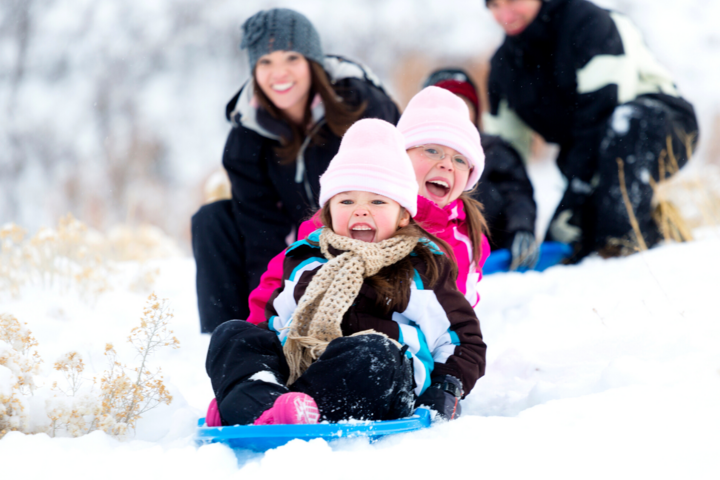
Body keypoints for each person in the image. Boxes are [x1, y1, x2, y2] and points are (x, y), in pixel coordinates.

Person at [205, 119, 486, 425]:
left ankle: (261, 408)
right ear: (328, 211)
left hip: (381, 381)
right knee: (233, 333)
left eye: (378, 201)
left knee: (374, 353)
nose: (361, 210)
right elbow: (276, 323)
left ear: (404, 214)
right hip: (302, 368)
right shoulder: (305, 259)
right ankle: (262, 401)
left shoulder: (422, 266)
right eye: (347, 200)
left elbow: (462, 341)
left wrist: (446, 388)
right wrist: (253, 359)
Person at [192, 8, 401, 333]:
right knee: (212, 220)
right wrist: (266, 310)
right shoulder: (247, 134)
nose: (279, 73)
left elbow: (397, 186)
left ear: (312, 61)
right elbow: (259, 226)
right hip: (295, 239)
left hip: (364, 230)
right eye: (265, 62)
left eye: (291, 57)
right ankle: (231, 336)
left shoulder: (361, 104)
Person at [245, 86, 493, 325]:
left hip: (407, 350)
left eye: (460, 159)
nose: (447, 164)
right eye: (432, 150)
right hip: (327, 333)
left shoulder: (468, 237)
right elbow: (283, 277)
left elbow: (459, 314)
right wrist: (259, 330)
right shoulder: (350, 210)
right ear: (401, 156)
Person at [484, 0, 699, 261]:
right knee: (567, 243)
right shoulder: (503, 68)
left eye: (513, 1)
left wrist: (575, 194)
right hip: (587, 153)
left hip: (657, 125)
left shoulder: (586, 22)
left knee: (614, 228)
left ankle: (638, 254)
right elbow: (504, 155)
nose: (505, 14)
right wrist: (510, 226)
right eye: (494, 5)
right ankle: (654, 227)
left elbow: (603, 110)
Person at [423, 68, 538, 270]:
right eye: (447, 107)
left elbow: (517, 194)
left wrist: (521, 228)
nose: (456, 116)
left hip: (491, 252)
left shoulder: (494, 150)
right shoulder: (414, 154)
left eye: (463, 107)